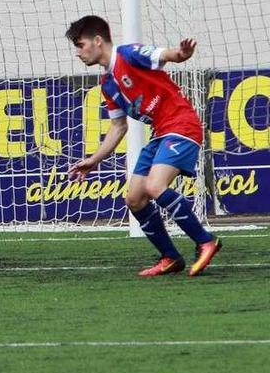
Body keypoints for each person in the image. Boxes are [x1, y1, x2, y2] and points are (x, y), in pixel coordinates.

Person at [66, 15, 221, 277]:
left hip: (181, 125)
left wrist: (180, 54)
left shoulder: (128, 55)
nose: (78, 53)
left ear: (98, 41)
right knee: (135, 199)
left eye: (80, 45)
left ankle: (205, 240)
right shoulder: (107, 85)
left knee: (154, 186)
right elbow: (119, 127)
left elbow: (165, 55)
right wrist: (94, 160)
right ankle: (171, 257)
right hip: (161, 133)